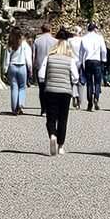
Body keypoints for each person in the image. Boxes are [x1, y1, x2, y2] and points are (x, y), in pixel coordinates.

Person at [37, 26, 78, 157]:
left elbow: (41, 75)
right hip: (65, 91)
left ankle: (52, 134)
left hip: (51, 90)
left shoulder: (49, 57)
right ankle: (61, 146)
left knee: (51, 117)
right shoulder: (70, 59)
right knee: (63, 118)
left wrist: (47, 80)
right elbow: (75, 77)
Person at [77, 20, 108, 111]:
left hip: (88, 61)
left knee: (89, 83)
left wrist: (81, 62)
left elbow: (81, 52)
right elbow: (103, 50)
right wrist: (104, 60)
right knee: (97, 82)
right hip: (97, 61)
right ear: (94, 29)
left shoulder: (84, 38)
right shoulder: (99, 37)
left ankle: (89, 102)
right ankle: (96, 97)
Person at [32, 19, 56, 117]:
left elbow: (34, 55)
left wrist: (33, 66)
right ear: (50, 30)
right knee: (51, 89)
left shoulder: (37, 41)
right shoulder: (55, 41)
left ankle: (43, 109)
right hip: (52, 66)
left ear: (42, 30)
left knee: (42, 89)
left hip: (40, 66)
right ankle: (51, 108)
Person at [4, 31, 32, 114]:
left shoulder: (10, 45)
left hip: (12, 66)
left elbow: (6, 59)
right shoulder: (24, 44)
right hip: (22, 66)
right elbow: (28, 57)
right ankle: (20, 103)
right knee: (22, 87)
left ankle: (14, 109)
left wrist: (5, 70)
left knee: (14, 87)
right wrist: (30, 68)